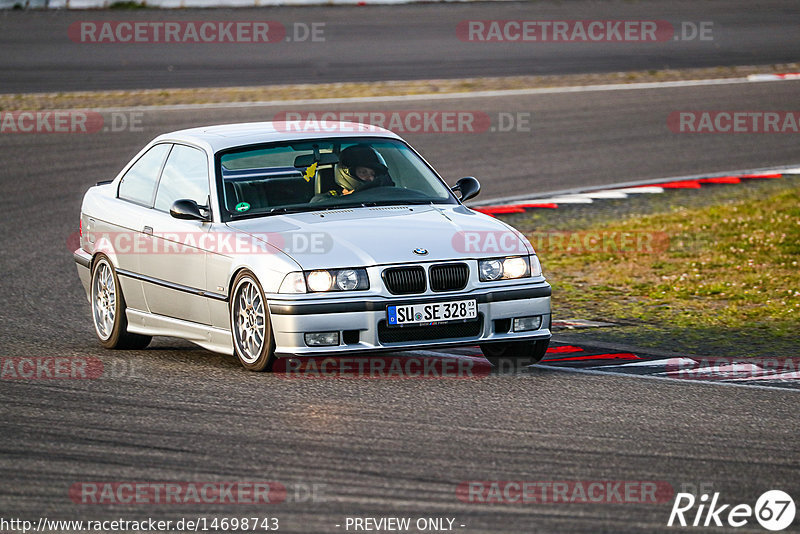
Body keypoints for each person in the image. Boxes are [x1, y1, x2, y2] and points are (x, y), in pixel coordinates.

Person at [312, 144, 394, 201]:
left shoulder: (384, 198)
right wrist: (354, 195)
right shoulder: (326, 199)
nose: (371, 178)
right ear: (346, 172)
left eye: (373, 174)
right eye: (363, 172)